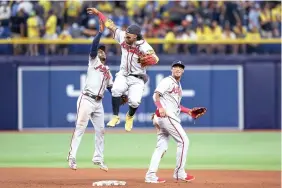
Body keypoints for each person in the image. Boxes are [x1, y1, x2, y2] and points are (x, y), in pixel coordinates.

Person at [87, 8, 159, 132]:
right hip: (123, 74)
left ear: (135, 36)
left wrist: (151, 60)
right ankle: (115, 117)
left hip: (138, 77)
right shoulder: (122, 36)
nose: (125, 37)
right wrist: (99, 13)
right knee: (115, 90)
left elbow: (155, 58)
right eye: (125, 34)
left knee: (135, 101)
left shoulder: (144, 45)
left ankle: (129, 117)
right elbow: (110, 25)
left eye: (129, 36)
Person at [67, 19, 112, 171]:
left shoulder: (108, 72)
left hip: (98, 103)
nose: (101, 51)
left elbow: (112, 90)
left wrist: (123, 98)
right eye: (100, 49)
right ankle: (72, 157)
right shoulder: (93, 62)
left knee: (101, 130)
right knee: (80, 128)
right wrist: (100, 32)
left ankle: (98, 158)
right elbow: (93, 46)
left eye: (103, 50)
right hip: (86, 98)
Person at [145, 60, 195, 183]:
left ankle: (150, 175)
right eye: (175, 67)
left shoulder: (178, 85)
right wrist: (160, 107)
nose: (178, 69)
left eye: (180, 67)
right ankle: (179, 172)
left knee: (161, 147)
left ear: (183, 71)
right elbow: (155, 95)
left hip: (164, 118)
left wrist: (188, 111)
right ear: (171, 69)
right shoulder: (167, 81)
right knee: (184, 141)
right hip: (167, 117)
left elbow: (176, 105)